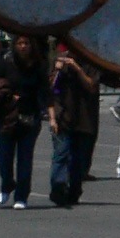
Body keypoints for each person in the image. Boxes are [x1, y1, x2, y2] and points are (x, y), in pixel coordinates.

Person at [0, 31, 44, 207]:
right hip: (7, 116)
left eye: (26, 43)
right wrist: (7, 96)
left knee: (25, 159)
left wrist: (50, 115)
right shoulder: (6, 62)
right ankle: (7, 185)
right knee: (4, 157)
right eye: (20, 43)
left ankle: (21, 196)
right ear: (15, 45)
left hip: (30, 116)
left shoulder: (37, 65)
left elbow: (45, 91)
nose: (23, 46)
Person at [45, 42, 97, 208]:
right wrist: (57, 71)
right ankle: (58, 188)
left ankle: (74, 191)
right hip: (63, 116)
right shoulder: (59, 61)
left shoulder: (91, 62)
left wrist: (77, 68)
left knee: (78, 160)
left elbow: (91, 86)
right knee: (61, 154)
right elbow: (50, 89)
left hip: (84, 118)